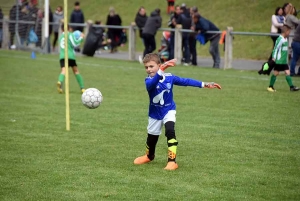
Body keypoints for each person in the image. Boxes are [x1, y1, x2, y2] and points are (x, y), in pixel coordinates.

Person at [133, 53, 222, 170]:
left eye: (151, 66)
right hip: (155, 113)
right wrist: (161, 70)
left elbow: (186, 81)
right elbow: (153, 84)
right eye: (146, 67)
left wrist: (204, 84)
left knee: (170, 131)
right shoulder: (148, 81)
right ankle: (149, 156)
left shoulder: (170, 77)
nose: (148, 70)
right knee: (152, 137)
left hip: (168, 110)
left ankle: (172, 161)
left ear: (158, 65)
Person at [267, 25, 299, 92]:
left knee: (287, 72)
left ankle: (291, 87)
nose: (289, 33)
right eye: (289, 31)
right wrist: (273, 58)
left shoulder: (285, 38)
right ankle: (270, 86)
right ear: (286, 31)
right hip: (279, 60)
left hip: (284, 60)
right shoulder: (280, 39)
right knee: (276, 73)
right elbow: (275, 48)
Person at [56, 24, 85, 94]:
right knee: (76, 71)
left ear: (62, 29)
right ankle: (82, 88)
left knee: (63, 71)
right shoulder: (70, 34)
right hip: (70, 56)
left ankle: (59, 82)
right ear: (69, 28)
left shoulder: (60, 37)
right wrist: (81, 38)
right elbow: (75, 43)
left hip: (62, 56)